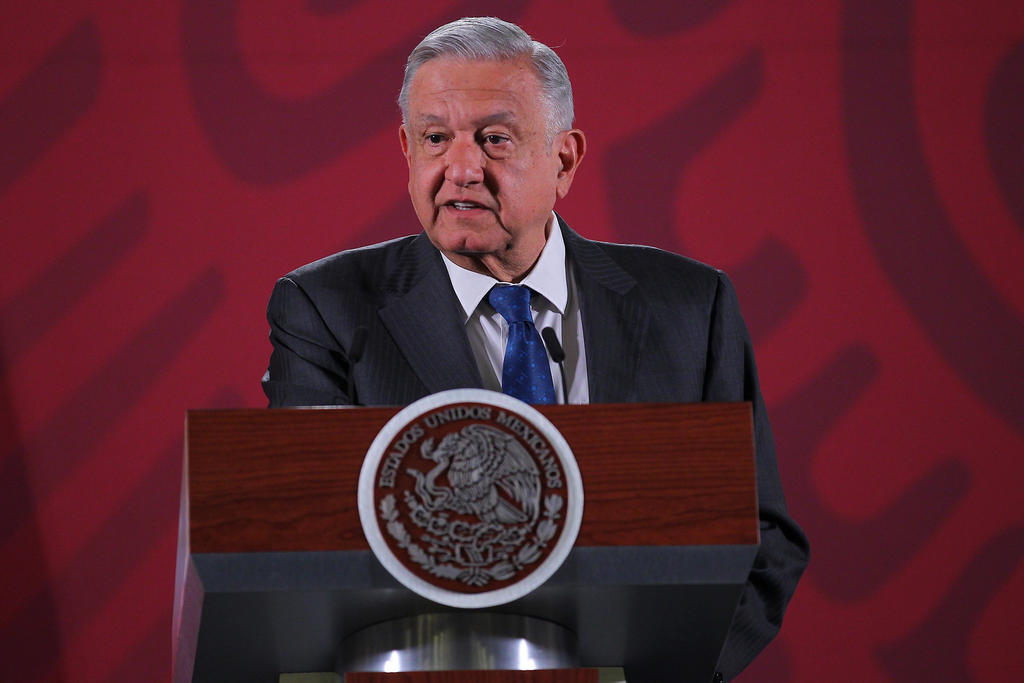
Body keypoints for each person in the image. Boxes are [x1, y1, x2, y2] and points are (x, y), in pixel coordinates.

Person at [262, 17, 808, 681]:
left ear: (564, 159)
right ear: (407, 149)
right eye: (436, 138)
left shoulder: (691, 305)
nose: (462, 168)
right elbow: (308, 543)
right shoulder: (324, 307)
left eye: (494, 139)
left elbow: (762, 538)